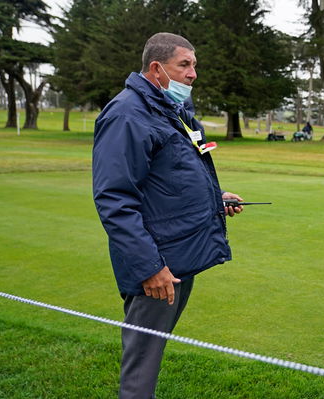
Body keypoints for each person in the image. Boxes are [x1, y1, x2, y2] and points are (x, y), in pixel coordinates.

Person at [92, 32, 244, 399]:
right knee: (142, 362)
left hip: (178, 258)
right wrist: (149, 268)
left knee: (152, 353)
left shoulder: (171, 110)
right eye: (185, 65)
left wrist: (215, 199)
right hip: (156, 267)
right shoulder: (128, 114)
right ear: (157, 68)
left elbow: (168, 179)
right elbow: (114, 198)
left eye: (194, 65)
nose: (193, 74)